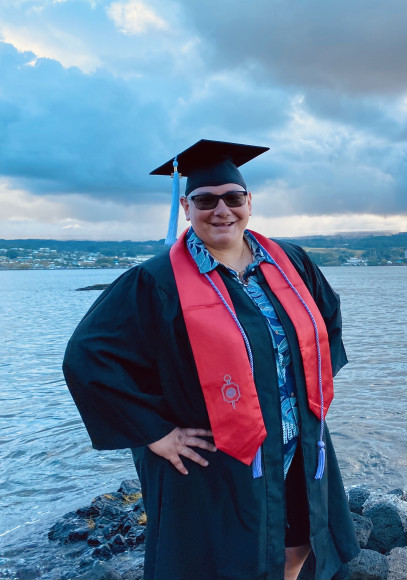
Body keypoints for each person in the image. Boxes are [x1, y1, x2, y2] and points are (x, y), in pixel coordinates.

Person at [63, 139, 359, 580]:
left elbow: (328, 320)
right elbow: (87, 358)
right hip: (215, 455)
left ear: (249, 202)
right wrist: (155, 432)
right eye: (205, 200)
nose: (221, 210)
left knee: (299, 541)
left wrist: (309, 389)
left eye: (233, 198)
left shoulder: (291, 262)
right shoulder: (154, 281)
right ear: (186, 206)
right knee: (224, 560)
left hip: (295, 440)